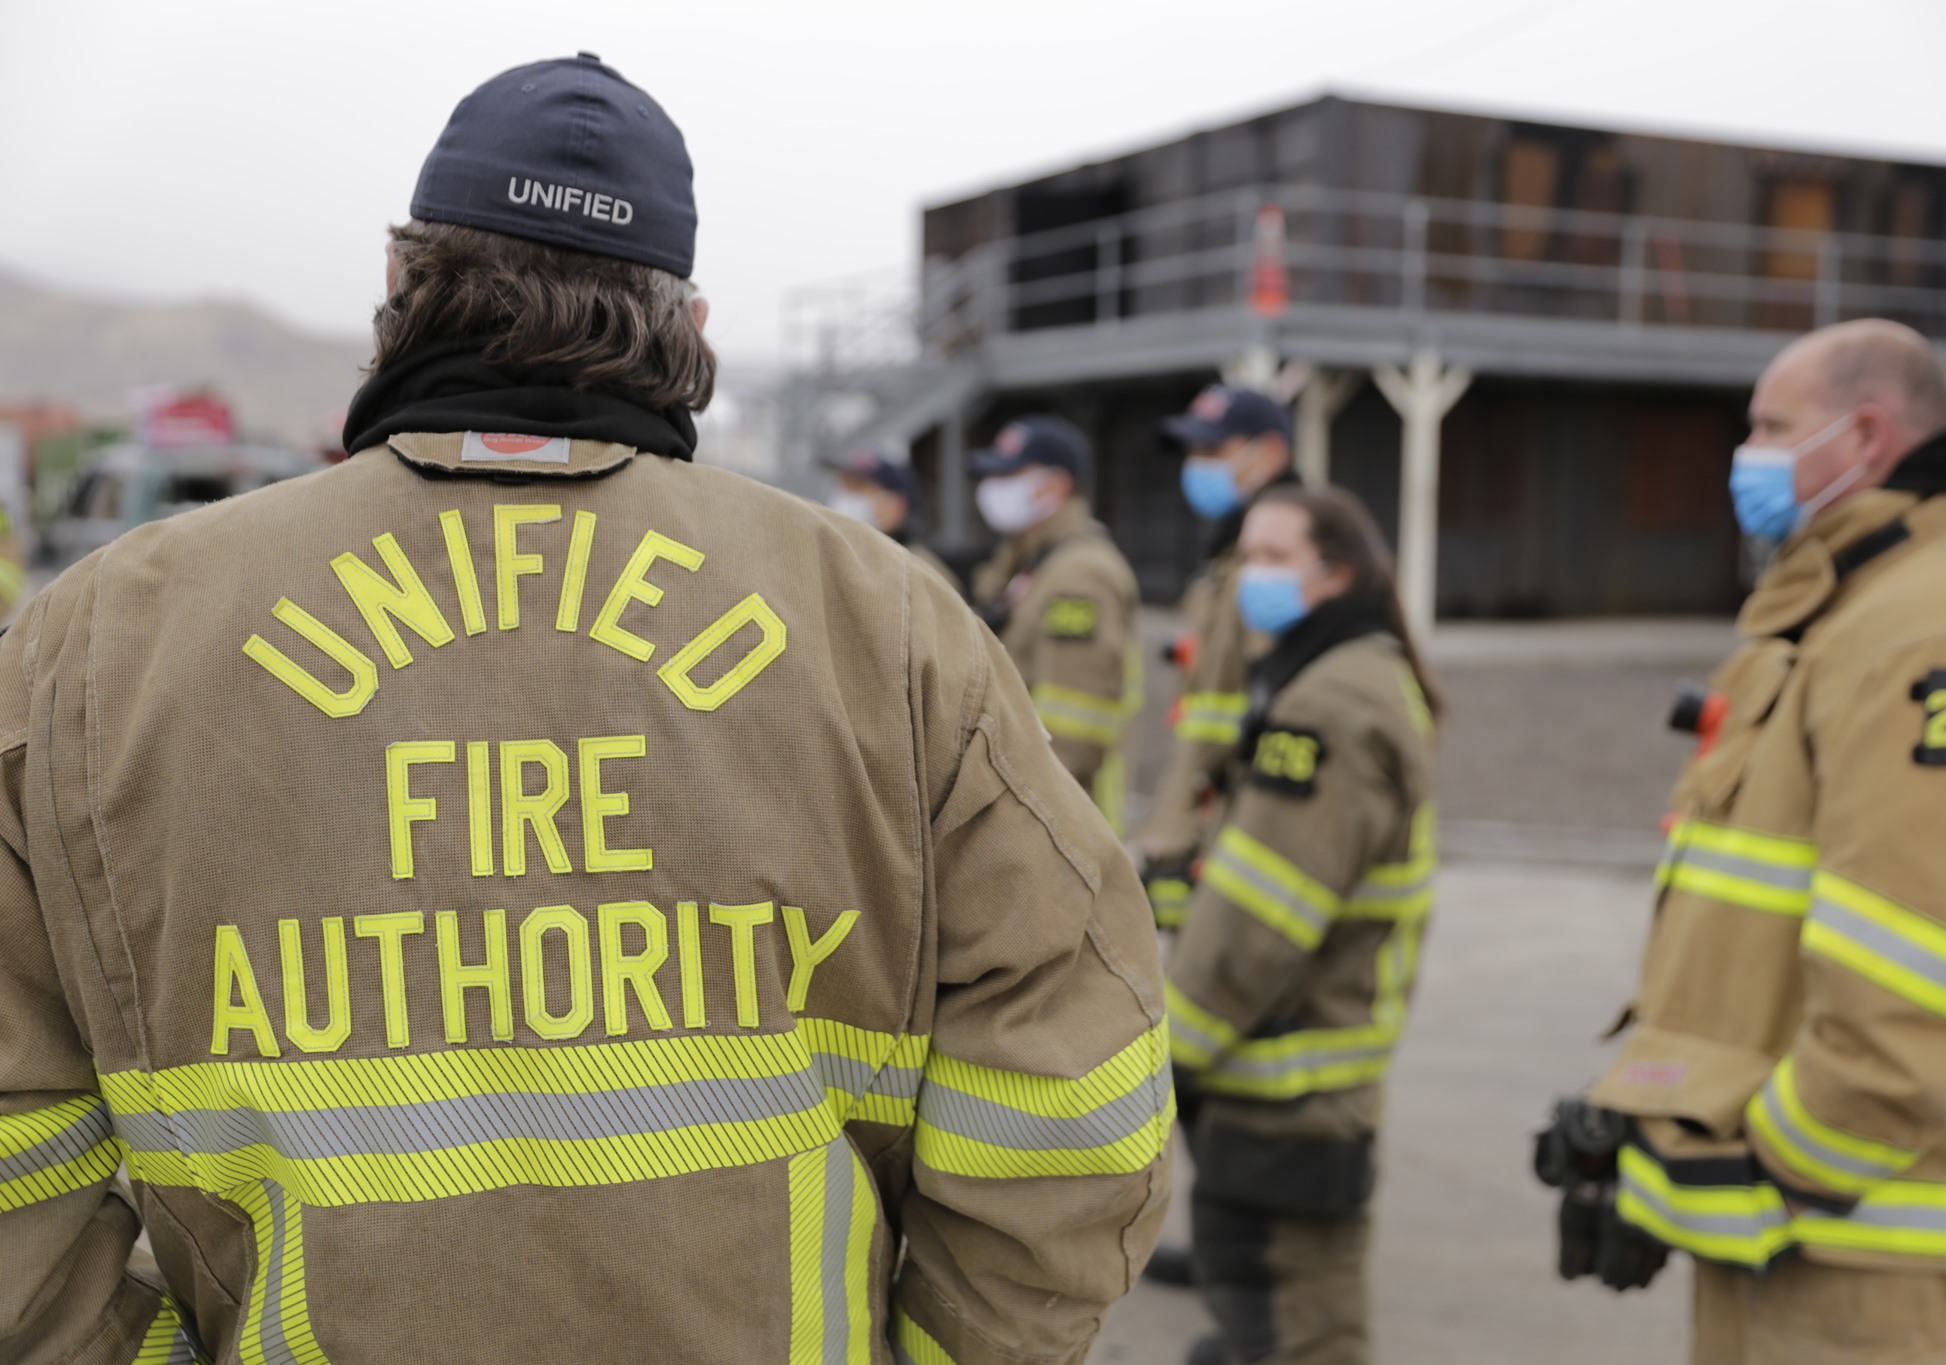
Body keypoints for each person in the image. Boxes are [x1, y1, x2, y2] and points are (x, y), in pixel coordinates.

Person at [0, 54, 1171, 1365]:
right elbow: (1073, 1086)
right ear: (693, 321)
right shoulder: (889, 627)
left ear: (398, 284)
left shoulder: (93, 646)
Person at [1548, 319, 1946, 1364]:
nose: (1749, 457)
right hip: (1814, 1252)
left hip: (1883, 1276)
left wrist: (1763, 1171)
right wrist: (1655, 1132)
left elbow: (1928, 970)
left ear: (1864, 436)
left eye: (1771, 429)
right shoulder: (1854, 600)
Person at [1167, 484, 1442, 1365]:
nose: (1252, 576)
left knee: (1303, 1331)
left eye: (1275, 557)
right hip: (1294, 1083)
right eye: (1247, 555)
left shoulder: (1329, 706)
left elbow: (1260, 918)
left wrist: (1165, 1053)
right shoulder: (1339, 674)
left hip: (1288, 1093)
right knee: (1271, 1322)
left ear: (1336, 574)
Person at [1138, 384, 1299, 928]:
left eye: (1212, 450)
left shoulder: (1283, 568)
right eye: (1193, 451)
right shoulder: (1228, 556)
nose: (1197, 466)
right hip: (1208, 821)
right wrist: (1171, 834)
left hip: (1247, 832)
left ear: (1269, 454)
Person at [970, 415, 1142, 832]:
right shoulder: (1029, 559)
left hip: (1056, 821)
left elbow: (1072, 730)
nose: (993, 487)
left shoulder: (1079, 575)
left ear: (1056, 486)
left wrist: (1020, 822)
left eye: (1010, 475)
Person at [825, 445, 962, 595]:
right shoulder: (830, 556)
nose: (845, 494)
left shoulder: (919, 569)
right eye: (843, 484)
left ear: (895, 505)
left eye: (858, 486)